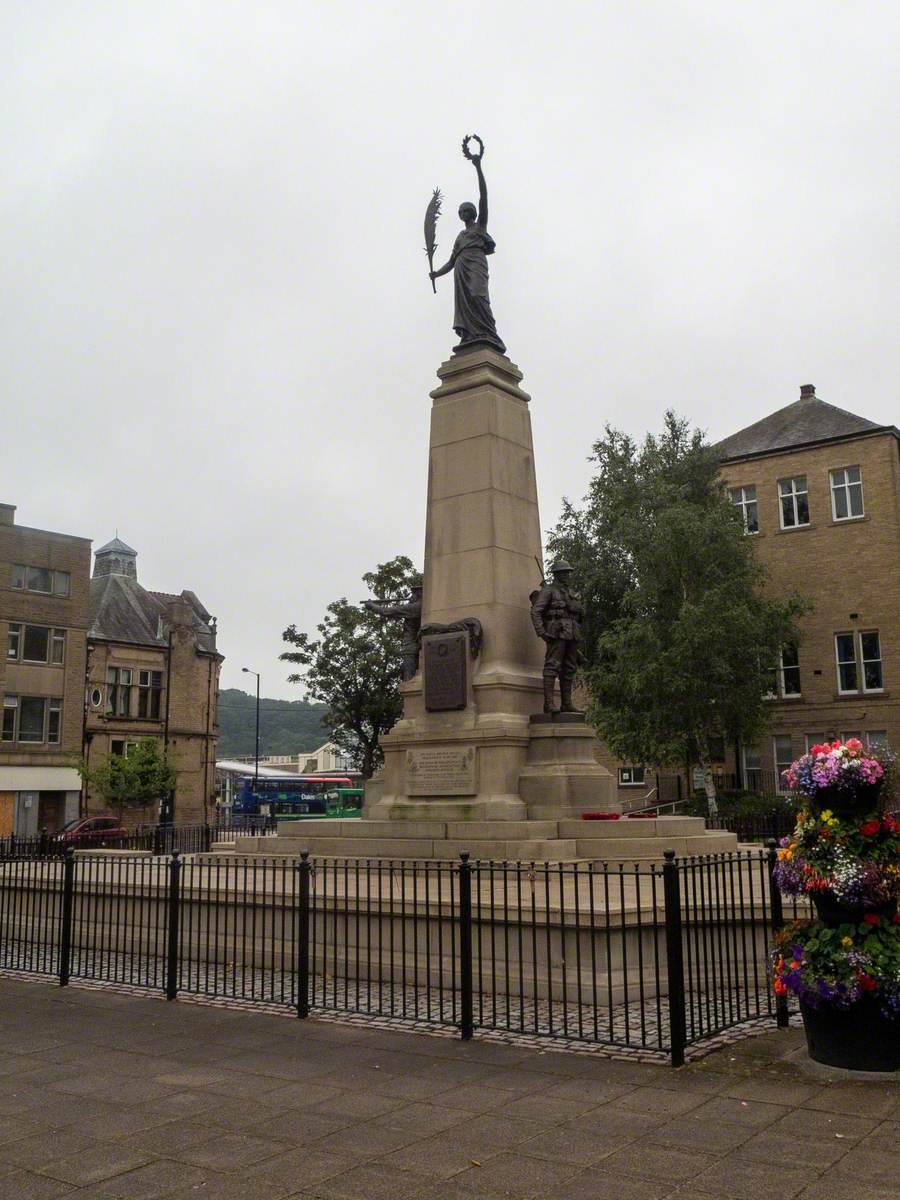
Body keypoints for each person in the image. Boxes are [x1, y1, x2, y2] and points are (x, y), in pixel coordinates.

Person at [429, 140, 506, 355]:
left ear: (472, 213)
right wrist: (437, 273)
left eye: (466, 210)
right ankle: (471, 336)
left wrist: (478, 167)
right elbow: (452, 262)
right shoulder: (460, 237)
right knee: (465, 303)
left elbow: (484, 198)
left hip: (476, 265)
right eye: (460, 211)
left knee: (478, 296)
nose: (463, 214)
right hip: (461, 269)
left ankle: (488, 334)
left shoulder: (480, 228)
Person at [530, 560, 584, 714]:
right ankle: (549, 704)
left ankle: (566, 704)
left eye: (568, 572)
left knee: (569, 668)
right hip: (557, 633)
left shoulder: (571, 592)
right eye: (564, 572)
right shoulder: (549, 591)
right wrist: (541, 631)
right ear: (557, 575)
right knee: (552, 666)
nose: (567, 575)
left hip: (572, 633)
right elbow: (536, 611)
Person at [362, 583, 423, 682]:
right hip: (414, 646)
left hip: (410, 648)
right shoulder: (419, 606)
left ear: (419, 593)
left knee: (409, 680)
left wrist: (372, 606)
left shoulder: (415, 607)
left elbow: (388, 611)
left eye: (413, 594)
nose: (411, 597)